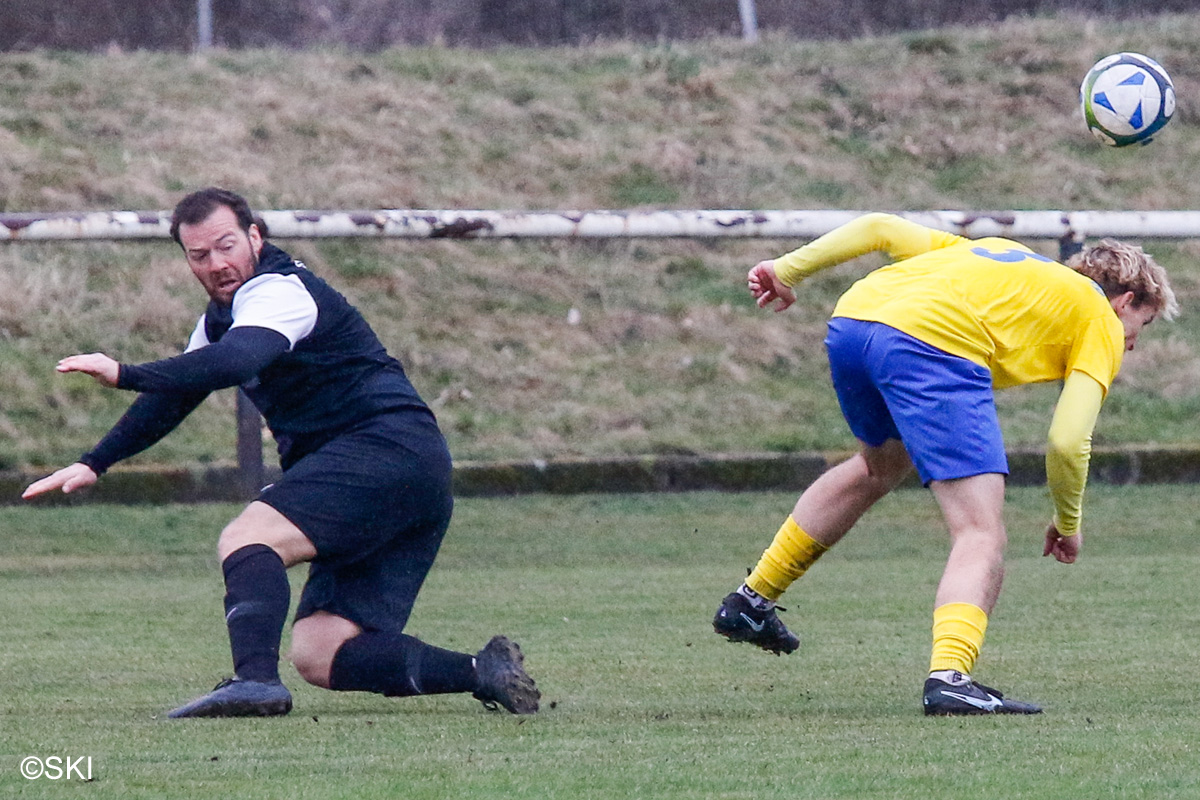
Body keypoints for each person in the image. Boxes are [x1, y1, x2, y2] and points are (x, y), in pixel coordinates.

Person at [23, 187, 539, 718]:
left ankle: (254, 682)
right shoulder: (224, 316)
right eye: (199, 255)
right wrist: (95, 461)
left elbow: (237, 361)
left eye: (226, 246)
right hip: (406, 468)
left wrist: (124, 373)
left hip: (383, 448)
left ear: (254, 236)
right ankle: (484, 671)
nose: (216, 264)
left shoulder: (279, 290)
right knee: (321, 653)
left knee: (249, 537)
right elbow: (178, 393)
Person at [711, 212, 1177, 715]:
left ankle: (751, 600)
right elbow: (1067, 441)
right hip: (931, 344)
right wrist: (1068, 523)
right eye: (1143, 324)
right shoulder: (1100, 318)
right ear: (1125, 301)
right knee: (980, 532)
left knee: (879, 466)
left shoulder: (1000, 254)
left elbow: (879, 227)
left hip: (855, 323)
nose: (1133, 341)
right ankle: (951, 678)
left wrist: (786, 270)